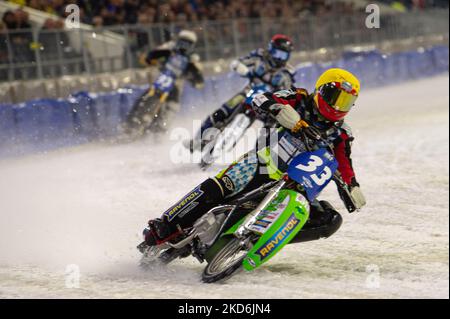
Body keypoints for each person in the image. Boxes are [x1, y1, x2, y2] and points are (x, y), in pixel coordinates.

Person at [144, 68, 367, 246]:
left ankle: (261, 240)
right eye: (335, 97)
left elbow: (344, 165)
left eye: (346, 102)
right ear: (321, 91)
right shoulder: (299, 98)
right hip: (262, 163)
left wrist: (352, 188)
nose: (338, 106)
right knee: (221, 187)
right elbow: (261, 99)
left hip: (295, 185)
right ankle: (166, 223)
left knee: (330, 219)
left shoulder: (342, 134)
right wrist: (286, 114)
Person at [186, 34, 295, 151]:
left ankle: (260, 154)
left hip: (268, 104)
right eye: (276, 53)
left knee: (272, 128)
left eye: (283, 55)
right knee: (222, 111)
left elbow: (287, 91)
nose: (279, 58)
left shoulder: (287, 73)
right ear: (270, 49)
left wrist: (281, 102)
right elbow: (240, 62)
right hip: (248, 92)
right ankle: (198, 140)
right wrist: (240, 66)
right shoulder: (259, 57)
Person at [137, 29, 204, 133]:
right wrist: (150, 59)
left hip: (176, 83)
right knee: (146, 94)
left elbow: (198, 77)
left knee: (173, 105)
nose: (184, 45)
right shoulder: (169, 48)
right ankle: (135, 117)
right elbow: (151, 55)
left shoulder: (193, 58)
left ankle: (161, 128)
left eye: (188, 43)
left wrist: (195, 80)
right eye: (183, 41)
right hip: (161, 76)